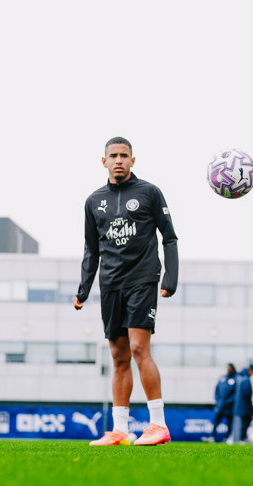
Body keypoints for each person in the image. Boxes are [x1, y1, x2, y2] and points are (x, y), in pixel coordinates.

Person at [73, 136, 178, 446]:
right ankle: (119, 430)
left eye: (124, 155)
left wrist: (170, 278)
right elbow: (91, 250)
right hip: (110, 284)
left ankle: (158, 424)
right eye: (113, 155)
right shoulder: (93, 201)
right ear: (103, 161)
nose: (118, 160)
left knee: (138, 348)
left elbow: (169, 237)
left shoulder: (149, 192)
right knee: (118, 357)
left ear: (133, 160)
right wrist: (83, 290)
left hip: (142, 279)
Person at [212, 363, 237, 442]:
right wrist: (218, 400)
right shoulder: (222, 378)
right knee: (216, 422)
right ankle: (212, 436)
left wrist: (229, 401)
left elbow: (236, 394)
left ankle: (227, 438)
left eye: (230, 369)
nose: (228, 370)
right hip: (220, 405)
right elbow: (216, 390)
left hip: (229, 407)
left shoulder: (235, 379)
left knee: (229, 423)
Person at [232, 364, 253, 443]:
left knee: (242, 422)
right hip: (244, 406)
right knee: (245, 421)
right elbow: (247, 394)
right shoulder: (246, 379)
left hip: (239, 405)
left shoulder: (240, 378)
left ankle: (240, 438)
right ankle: (242, 438)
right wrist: (249, 407)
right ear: (250, 371)